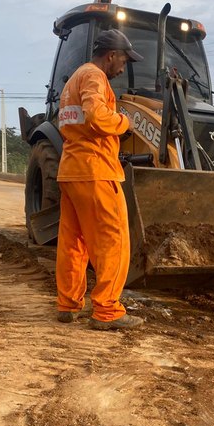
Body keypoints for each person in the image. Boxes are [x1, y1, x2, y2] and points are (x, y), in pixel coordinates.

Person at [55, 29, 145, 330]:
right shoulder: (95, 77)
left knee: (73, 242)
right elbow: (96, 115)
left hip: (71, 170)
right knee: (113, 240)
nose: (124, 67)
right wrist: (124, 122)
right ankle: (107, 311)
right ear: (111, 55)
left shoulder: (72, 81)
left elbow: (70, 121)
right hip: (96, 171)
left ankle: (68, 304)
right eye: (124, 60)